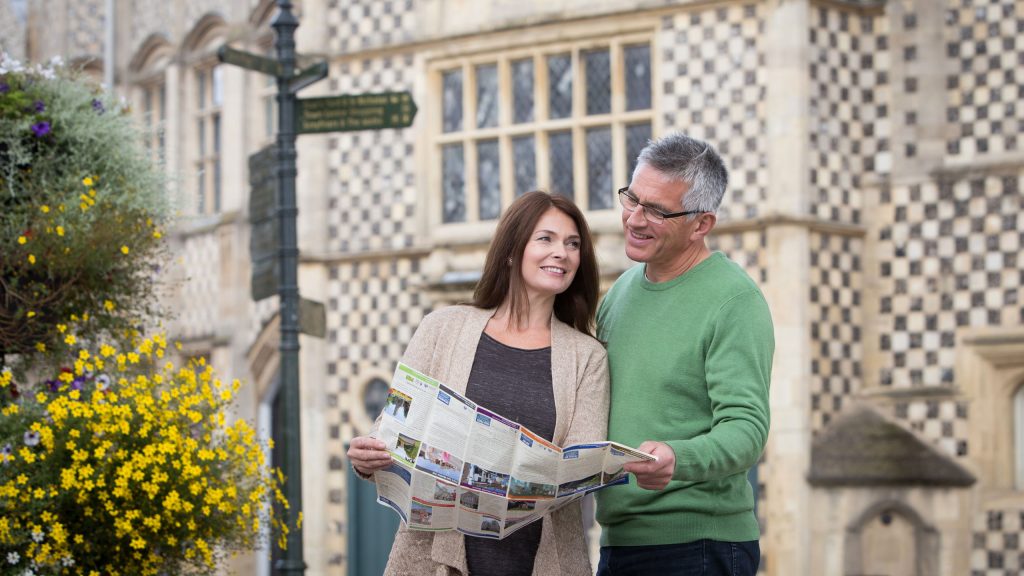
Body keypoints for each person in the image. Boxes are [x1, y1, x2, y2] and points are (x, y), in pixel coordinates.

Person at [347, 190, 609, 576]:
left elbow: (580, 466)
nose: (563, 253)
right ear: (510, 250)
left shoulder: (587, 356)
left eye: (573, 244)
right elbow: (395, 424)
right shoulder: (442, 328)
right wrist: (367, 457)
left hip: (543, 559)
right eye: (546, 239)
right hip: (435, 559)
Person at [594, 133, 774, 576]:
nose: (634, 218)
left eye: (656, 210)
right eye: (632, 198)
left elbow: (747, 430)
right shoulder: (619, 293)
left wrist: (678, 459)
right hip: (619, 542)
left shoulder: (734, 301)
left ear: (701, 224)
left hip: (699, 547)